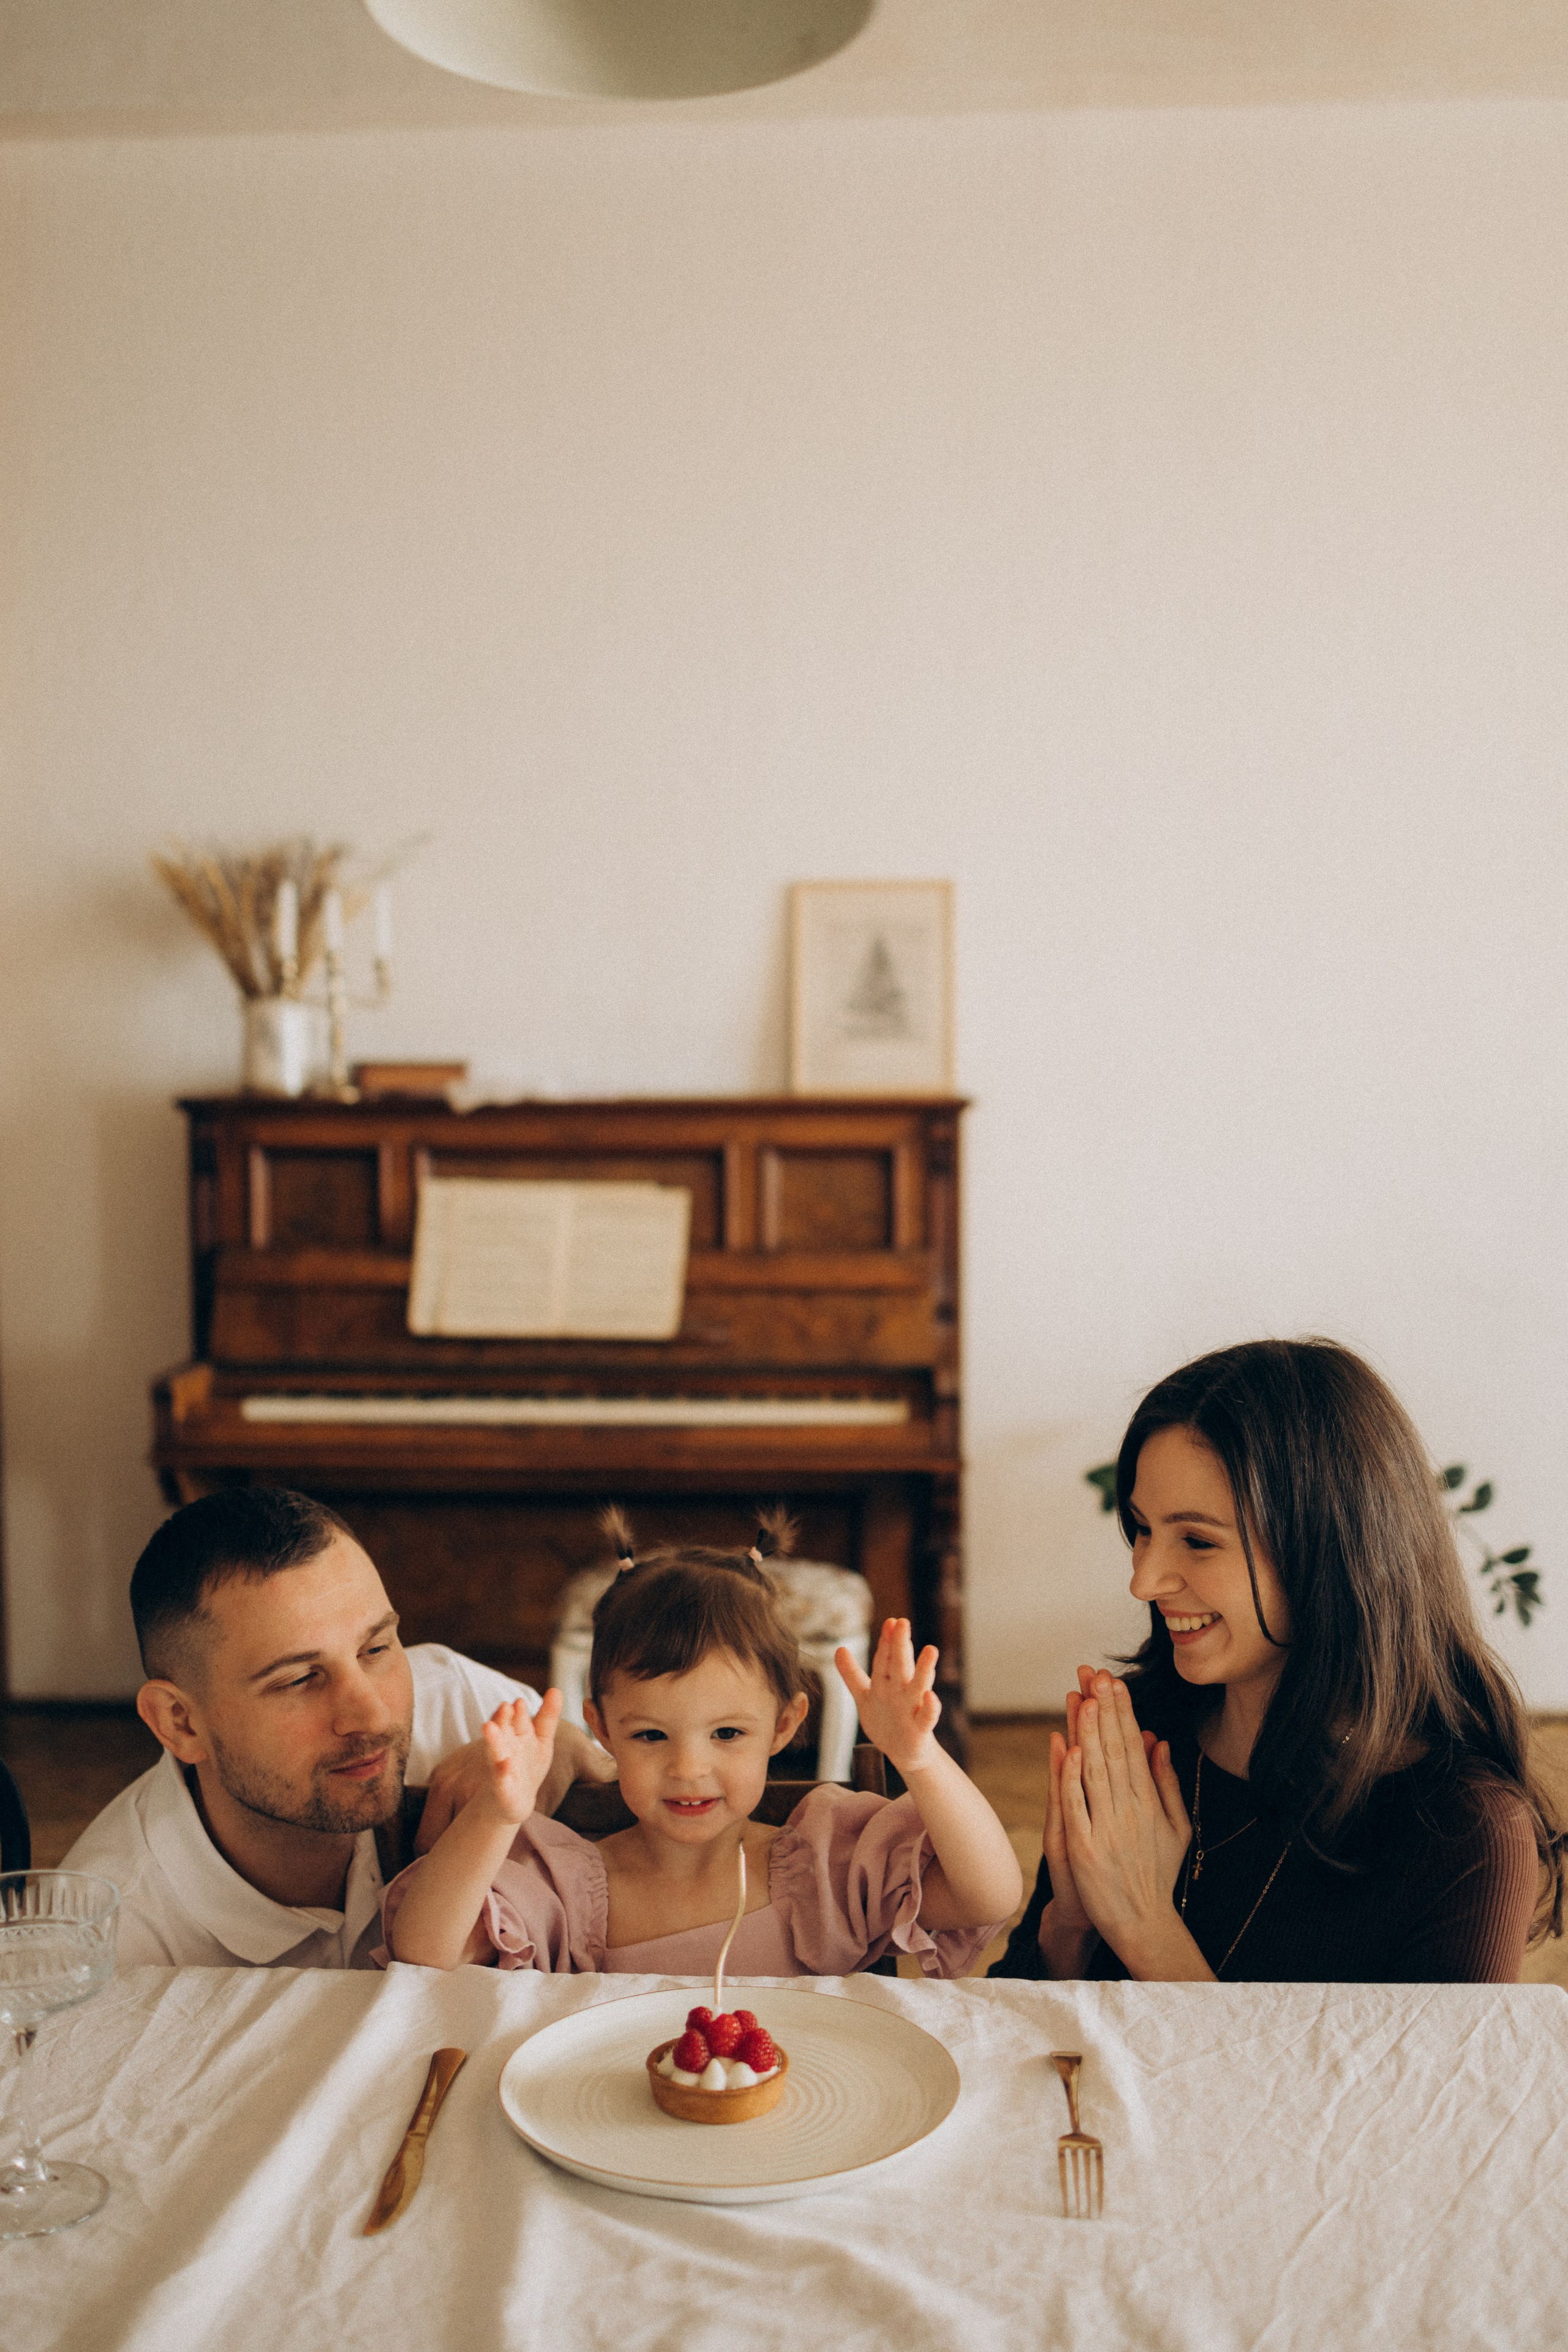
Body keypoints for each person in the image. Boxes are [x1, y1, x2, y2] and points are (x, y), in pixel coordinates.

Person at [993, 1338, 1564, 1985]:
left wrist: (1144, 1928)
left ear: (1329, 1551)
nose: (1144, 1581)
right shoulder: (1141, 1731)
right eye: (1142, 1529)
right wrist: (1070, 1924)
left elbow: (1412, 2092)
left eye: (1198, 1541)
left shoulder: (1466, 1835)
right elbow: (1014, 2026)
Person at [383, 1513, 1022, 1975]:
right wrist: (497, 1815)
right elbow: (425, 1952)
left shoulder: (829, 1870)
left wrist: (919, 1759)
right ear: (601, 1728)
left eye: (727, 1734)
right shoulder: (566, 1889)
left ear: (784, 1725)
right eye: (651, 1735)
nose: (689, 1768)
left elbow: (989, 1895)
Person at [64, 1487, 612, 1969]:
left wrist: (566, 1749)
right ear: (180, 1723)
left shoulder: (462, 1707)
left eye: (376, 1648)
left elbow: (654, 1796)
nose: (372, 1716)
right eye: (300, 1680)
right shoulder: (105, 1940)